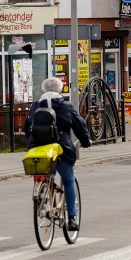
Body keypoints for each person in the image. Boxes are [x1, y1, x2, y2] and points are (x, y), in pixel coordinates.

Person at [24, 77, 91, 230]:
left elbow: (27, 126)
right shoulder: (66, 106)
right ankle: (72, 218)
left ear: (44, 90)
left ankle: (42, 196)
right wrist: (86, 141)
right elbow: (79, 125)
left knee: (45, 174)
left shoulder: (35, 106)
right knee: (68, 181)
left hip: (39, 150)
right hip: (61, 149)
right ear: (60, 90)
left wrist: (31, 145)